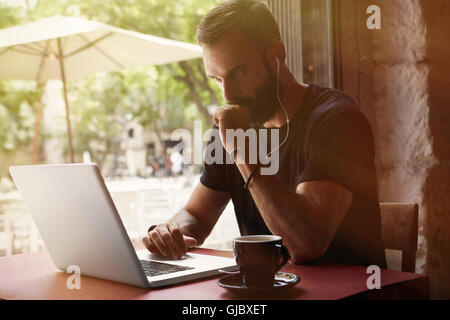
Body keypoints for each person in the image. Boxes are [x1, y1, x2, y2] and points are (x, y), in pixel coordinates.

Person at [142, 0, 386, 268]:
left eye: (239, 72)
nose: (228, 94)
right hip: (265, 292)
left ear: (276, 56)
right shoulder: (233, 124)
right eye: (218, 79)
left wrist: (241, 150)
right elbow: (196, 216)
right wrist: (171, 232)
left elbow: (306, 244)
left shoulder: (336, 119)